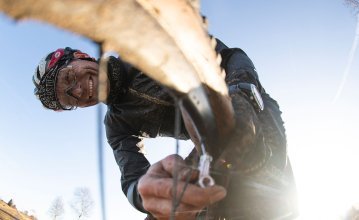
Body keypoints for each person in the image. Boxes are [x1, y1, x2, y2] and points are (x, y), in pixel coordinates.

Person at [33, 39, 298, 219]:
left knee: (265, 193)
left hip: (249, 106)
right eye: (70, 98)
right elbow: (131, 179)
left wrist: (242, 91)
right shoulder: (117, 125)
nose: (78, 90)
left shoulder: (143, 45)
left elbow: (231, 56)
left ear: (80, 56)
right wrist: (146, 193)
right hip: (207, 143)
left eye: (69, 77)